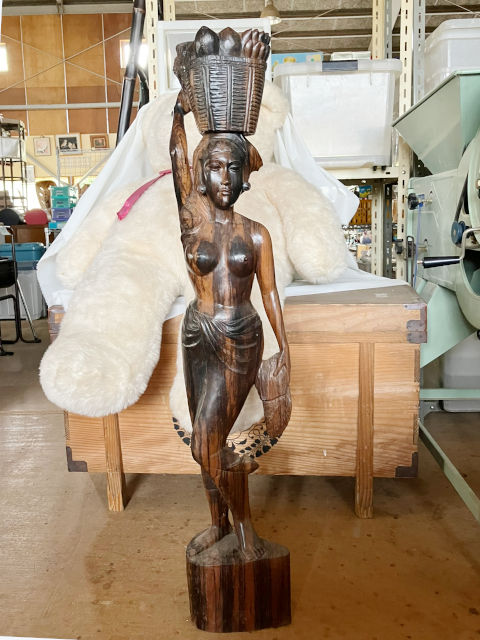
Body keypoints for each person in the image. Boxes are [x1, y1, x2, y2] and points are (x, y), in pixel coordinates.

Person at [170, 90, 290, 561]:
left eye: (233, 168)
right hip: (196, 335)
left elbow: (270, 293)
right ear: (202, 174)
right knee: (207, 441)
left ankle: (243, 527)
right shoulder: (192, 219)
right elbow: (176, 157)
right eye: (216, 167)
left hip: (241, 338)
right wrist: (178, 114)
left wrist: (284, 347)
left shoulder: (256, 234)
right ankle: (218, 522)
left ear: (244, 177)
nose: (225, 177)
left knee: (204, 439)